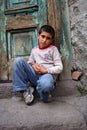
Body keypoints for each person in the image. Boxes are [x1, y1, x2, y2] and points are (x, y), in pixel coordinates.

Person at [12, 25, 63, 105]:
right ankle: (26, 90)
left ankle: (44, 93)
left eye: (48, 38)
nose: (44, 40)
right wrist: (33, 66)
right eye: (42, 36)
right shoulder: (34, 50)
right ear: (38, 36)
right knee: (18, 61)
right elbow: (30, 63)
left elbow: (60, 67)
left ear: (52, 40)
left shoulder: (53, 49)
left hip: (47, 76)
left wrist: (46, 70)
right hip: (34, 75)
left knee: (46, 87)